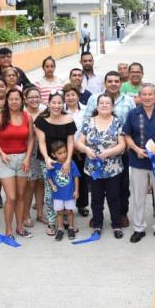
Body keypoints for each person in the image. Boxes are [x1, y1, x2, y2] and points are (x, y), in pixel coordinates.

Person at [122, 83, 155, 243]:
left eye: (150, 94)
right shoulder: (133, 114)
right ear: (140, 96)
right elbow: (127, 135)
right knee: (138, 196)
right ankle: (138, 228)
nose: (147, 97)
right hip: (138, 162)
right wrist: (136, 149)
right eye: (144, 94)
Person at [84, 71, 135, 227]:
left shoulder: (128, 101)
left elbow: (131, 123)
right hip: (95, 158)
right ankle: (97, 218)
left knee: (122, 187)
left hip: (121, 153)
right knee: (97, 192)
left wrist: (120, 148)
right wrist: (87, 149)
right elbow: (86, 123)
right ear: (105, 83)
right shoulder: (94, 99)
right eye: (110, 81)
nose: (113, 83)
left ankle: (121, 215)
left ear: (120, 83)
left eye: (116, 81)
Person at [76, 94, 126, 239]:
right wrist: (86, 150)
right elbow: (79, 142)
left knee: (114, 197)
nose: (104, 105)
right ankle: (97, 224)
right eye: (101, 103)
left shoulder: (118, 122)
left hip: (113, 168)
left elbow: (122, 144)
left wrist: (109, 152)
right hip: (93, 168)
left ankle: (116, 224)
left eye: (107, 103)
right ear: (97, 106)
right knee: (96, 198)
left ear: (112, 106)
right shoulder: (88, 122)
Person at [0, 88, 34, 240]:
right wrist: (1, 153)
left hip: (22, 159)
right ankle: (8, 229)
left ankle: (20, 227)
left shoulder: (27, 117)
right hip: (5, 160)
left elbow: (30, 139)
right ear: (6, 101)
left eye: (17, 99)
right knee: (12, 197)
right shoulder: (0, 116)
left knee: (21, 195)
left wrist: (28, 157)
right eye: (11, 99)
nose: (14, 102)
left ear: (22, 100)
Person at [35, 92, 77, 236]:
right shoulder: (41, 120)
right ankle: (52, 223)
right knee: (51, 191)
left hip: (65, 160)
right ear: (49, 103)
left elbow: (71, 141)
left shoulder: (69, 119)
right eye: (54, 102)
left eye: (60, 103)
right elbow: (41, 142)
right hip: (48, 161)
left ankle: (66, 220)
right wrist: (47, 158)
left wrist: (68, 161)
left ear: (63, 103)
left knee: (66, 188)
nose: (57, 106)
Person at [45, 141, 80, 241]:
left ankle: (71, 227)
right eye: (60, 153)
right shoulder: (53, 165)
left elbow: (76, 177)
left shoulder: (71, 163)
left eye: (65, 152)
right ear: (53, 154)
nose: (63, 154)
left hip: (69, 193)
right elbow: (48, 177)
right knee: (59, 212)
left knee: (69, 211)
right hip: (57, 194)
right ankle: (60, 228)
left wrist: (76, 190)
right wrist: (52, 186)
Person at [64, 84, 89, 217]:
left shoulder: (86, 110)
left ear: (78, 96)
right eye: (67, 95)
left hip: (82, 149)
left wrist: (79, 146)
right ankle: (67, 206)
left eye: (73, 94)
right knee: (66, 179)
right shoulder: (60, 110)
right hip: (63, 151)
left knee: (81, 178)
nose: (70, 97)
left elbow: (88, 129)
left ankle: (82, 205)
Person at [23, 87, 46, 228]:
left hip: (42, 151)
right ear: (25, 99)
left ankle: (40, 214)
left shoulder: (45, 112)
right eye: (31, 97)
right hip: (27, 152)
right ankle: (26, 215)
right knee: (30, 184)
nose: (34, 99)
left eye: (36, 96)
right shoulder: (23, 113)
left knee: (40, 183)